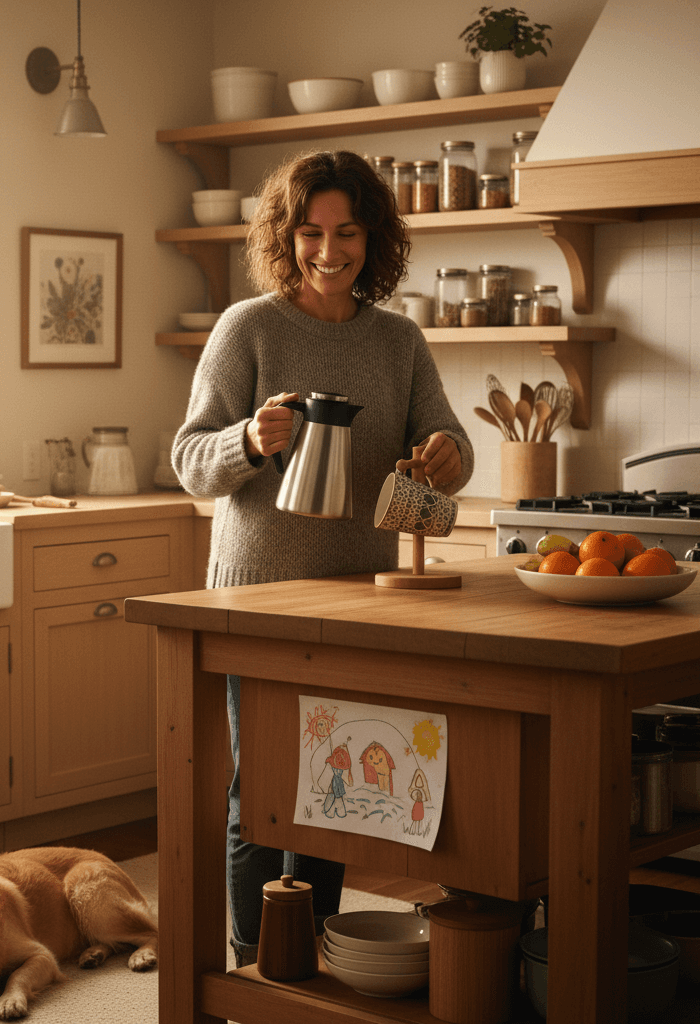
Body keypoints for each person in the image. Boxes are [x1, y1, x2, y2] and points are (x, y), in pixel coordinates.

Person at [171, 149, 474, 968]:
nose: (328, 250)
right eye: (310, 232)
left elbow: (451, 445)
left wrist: (447, 453)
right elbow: (190, 460)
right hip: (259, 596)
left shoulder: (399, 339)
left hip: (359, 598)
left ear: (374, 237)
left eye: (346, 231)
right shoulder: (250, 327)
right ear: (286, 235)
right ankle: (254, 964)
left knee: (341, 793)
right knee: (260, 792)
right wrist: (247, 438)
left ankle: (322, 960)